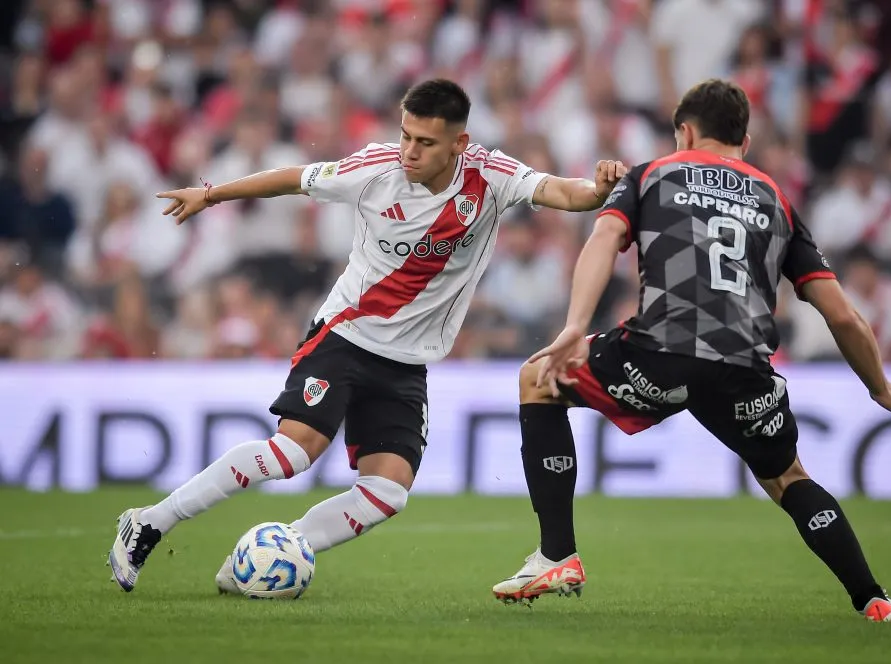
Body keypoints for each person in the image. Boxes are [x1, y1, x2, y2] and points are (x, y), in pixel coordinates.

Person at [107, 78, 626, 593]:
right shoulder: (375, 168)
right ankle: (151, 520)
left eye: (425, 142)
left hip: (406, 362)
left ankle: (273, 550)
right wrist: (212, 194)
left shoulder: (491, 176)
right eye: (405, 136)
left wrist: (599, 190)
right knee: (293, 453)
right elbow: (294, 178)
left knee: (386, 492)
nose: (409, 151)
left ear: (459, 144)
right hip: (345, 335)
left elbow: (562, 192)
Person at [491, 79, 891, 623]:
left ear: (685, 131)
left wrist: (576, 324)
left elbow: (601, 241)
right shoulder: (775, 199)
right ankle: (873, 599)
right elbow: (842, 314)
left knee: (538, 379)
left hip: (658, 354)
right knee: (788, 478)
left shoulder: (653, 173)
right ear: (746, 137)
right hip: (745, 369)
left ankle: (557, 555)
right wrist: (879, 385)